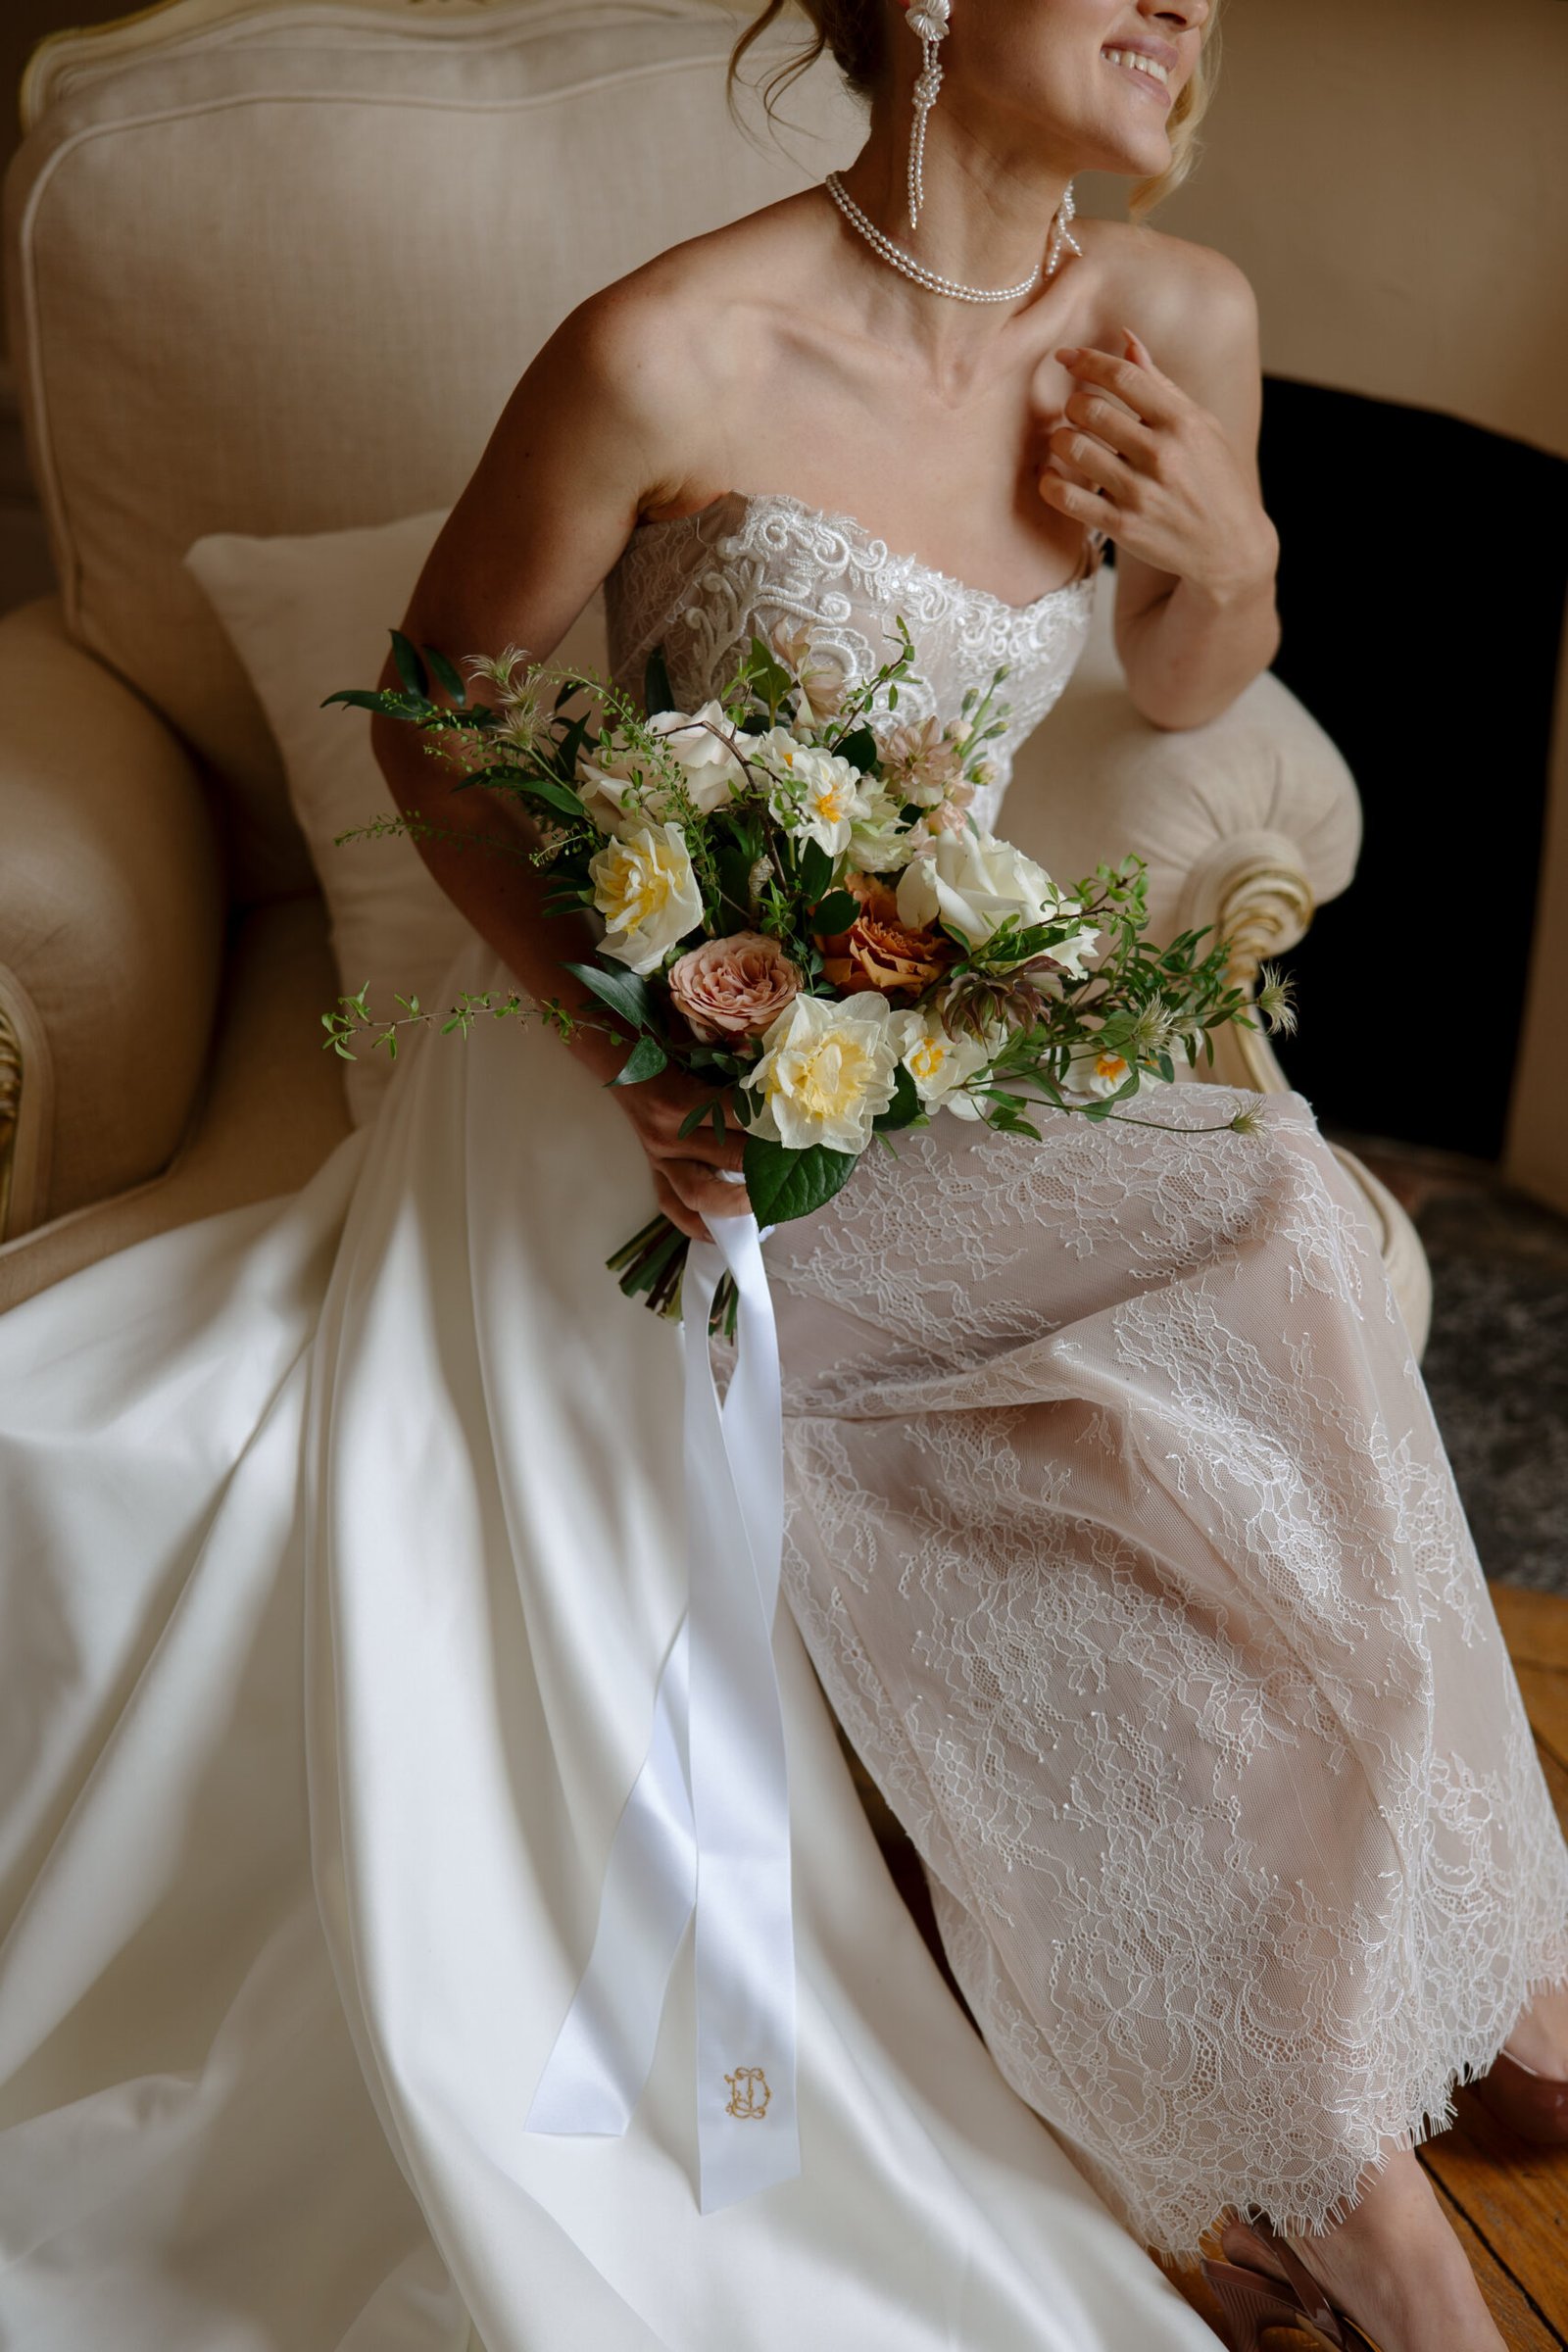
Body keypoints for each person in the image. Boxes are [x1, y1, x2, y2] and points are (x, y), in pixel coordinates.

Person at [1, 3, 1564, 2348]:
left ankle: (1385, 1994)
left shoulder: (1176, 317)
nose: (1184, 9)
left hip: (937, 1030)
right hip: (660, 1078)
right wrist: (621, 1025)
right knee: (1179, 1296)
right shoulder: (665, 347)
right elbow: (435, 713)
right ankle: (1362, 2212)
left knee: (1258, 1214)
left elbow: (1170, 676)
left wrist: (1222, 551)